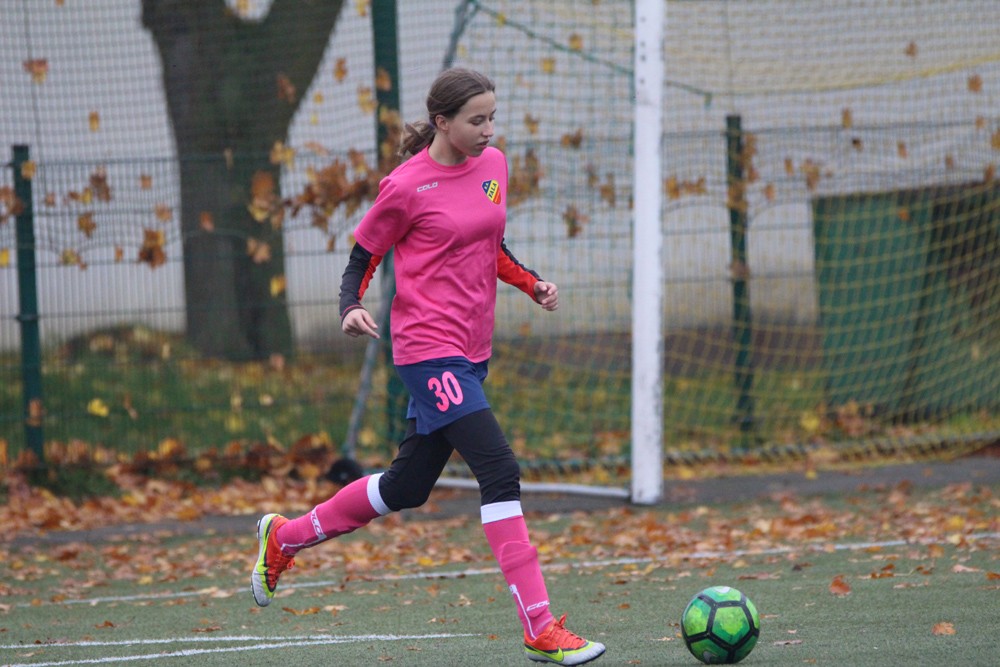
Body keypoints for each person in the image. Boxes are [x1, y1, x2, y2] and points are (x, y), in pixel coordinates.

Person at [250, 67, 606, 666]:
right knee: (500, 470)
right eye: (476, 120)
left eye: (492, 118)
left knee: (406, 488)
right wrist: (350, 306)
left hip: (472, 351)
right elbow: (364, 255)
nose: (488, 131)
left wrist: (531, 283)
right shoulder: (406, 186)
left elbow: (489, 246)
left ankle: (284, 537)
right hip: (427, 350)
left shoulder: (494, 167)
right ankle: (540, 628)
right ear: (442, 122)